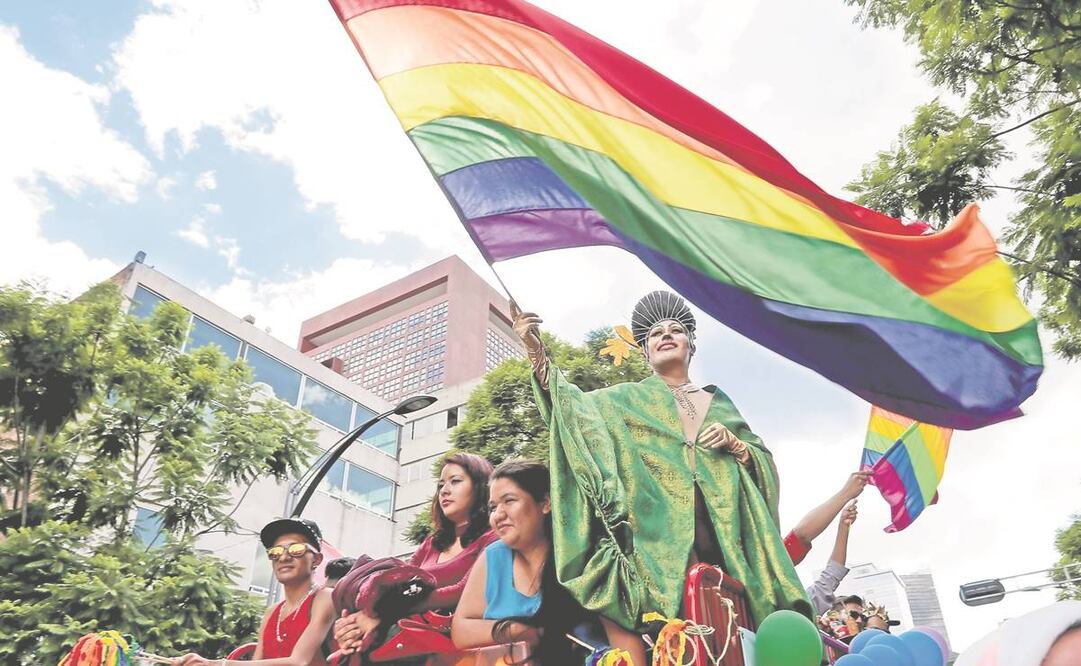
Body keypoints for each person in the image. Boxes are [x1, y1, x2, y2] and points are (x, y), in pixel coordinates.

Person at [513, 292, 810, 665]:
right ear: (644, 351)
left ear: (691, 345)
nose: (666, 335)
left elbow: (762, 465)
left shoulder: (719, 402)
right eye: (655, 333)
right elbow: (574, 411)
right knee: (685, 648)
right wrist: (537, 353)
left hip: (729, 550)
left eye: (675, 330)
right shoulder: (624, 400)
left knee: (736, 644)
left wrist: (738, 448)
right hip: (662, 555)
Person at [333, 453, 497, 656]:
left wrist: (381, 612)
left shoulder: (494, 537)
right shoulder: (431, 542)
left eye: (455, 481)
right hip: (408, 641)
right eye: (440, 485)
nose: (445, 491)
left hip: (456, 648)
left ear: (481, 487)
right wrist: (354, 622)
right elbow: (401, 580)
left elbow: (462, 591)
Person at [451, 459, 586, 665]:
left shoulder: (576, 557)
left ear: (546, 503)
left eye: (510, 500)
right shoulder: (492, 557)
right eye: (493, 507)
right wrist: (528, 631)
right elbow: (461, 632)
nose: (499, 515)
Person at [172, 518, 334, 666]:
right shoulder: (272, 612)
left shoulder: (324, 598)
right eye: (275, 552)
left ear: (317, 559)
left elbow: (298, 662)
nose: (284, 557)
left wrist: (217, 664)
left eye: (296, 549)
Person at [785, 471, 869, 565]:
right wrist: (846, 493)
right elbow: (800, 537)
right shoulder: (772, 567)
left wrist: (844, 526)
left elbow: (832, 575)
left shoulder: (774, 564)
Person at [806, 500, 859, 614]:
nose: (859, 620)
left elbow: (831, 575)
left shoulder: (798, 605)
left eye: (862, 617)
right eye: (853, 616)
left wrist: (844, 526)